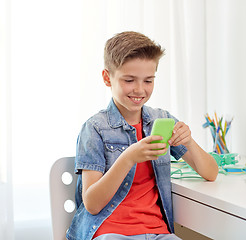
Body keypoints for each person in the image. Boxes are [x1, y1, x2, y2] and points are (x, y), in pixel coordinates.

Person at [66, 31, 219, 240]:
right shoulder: (94, 128)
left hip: (157, 232)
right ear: (106, 78)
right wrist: (129, 157)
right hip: (110, 232)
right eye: (129, 80)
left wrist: (188, 141)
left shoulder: (162, 120)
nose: (139, 89)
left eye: (148, 80)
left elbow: (210, 172)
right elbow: (92, 204)